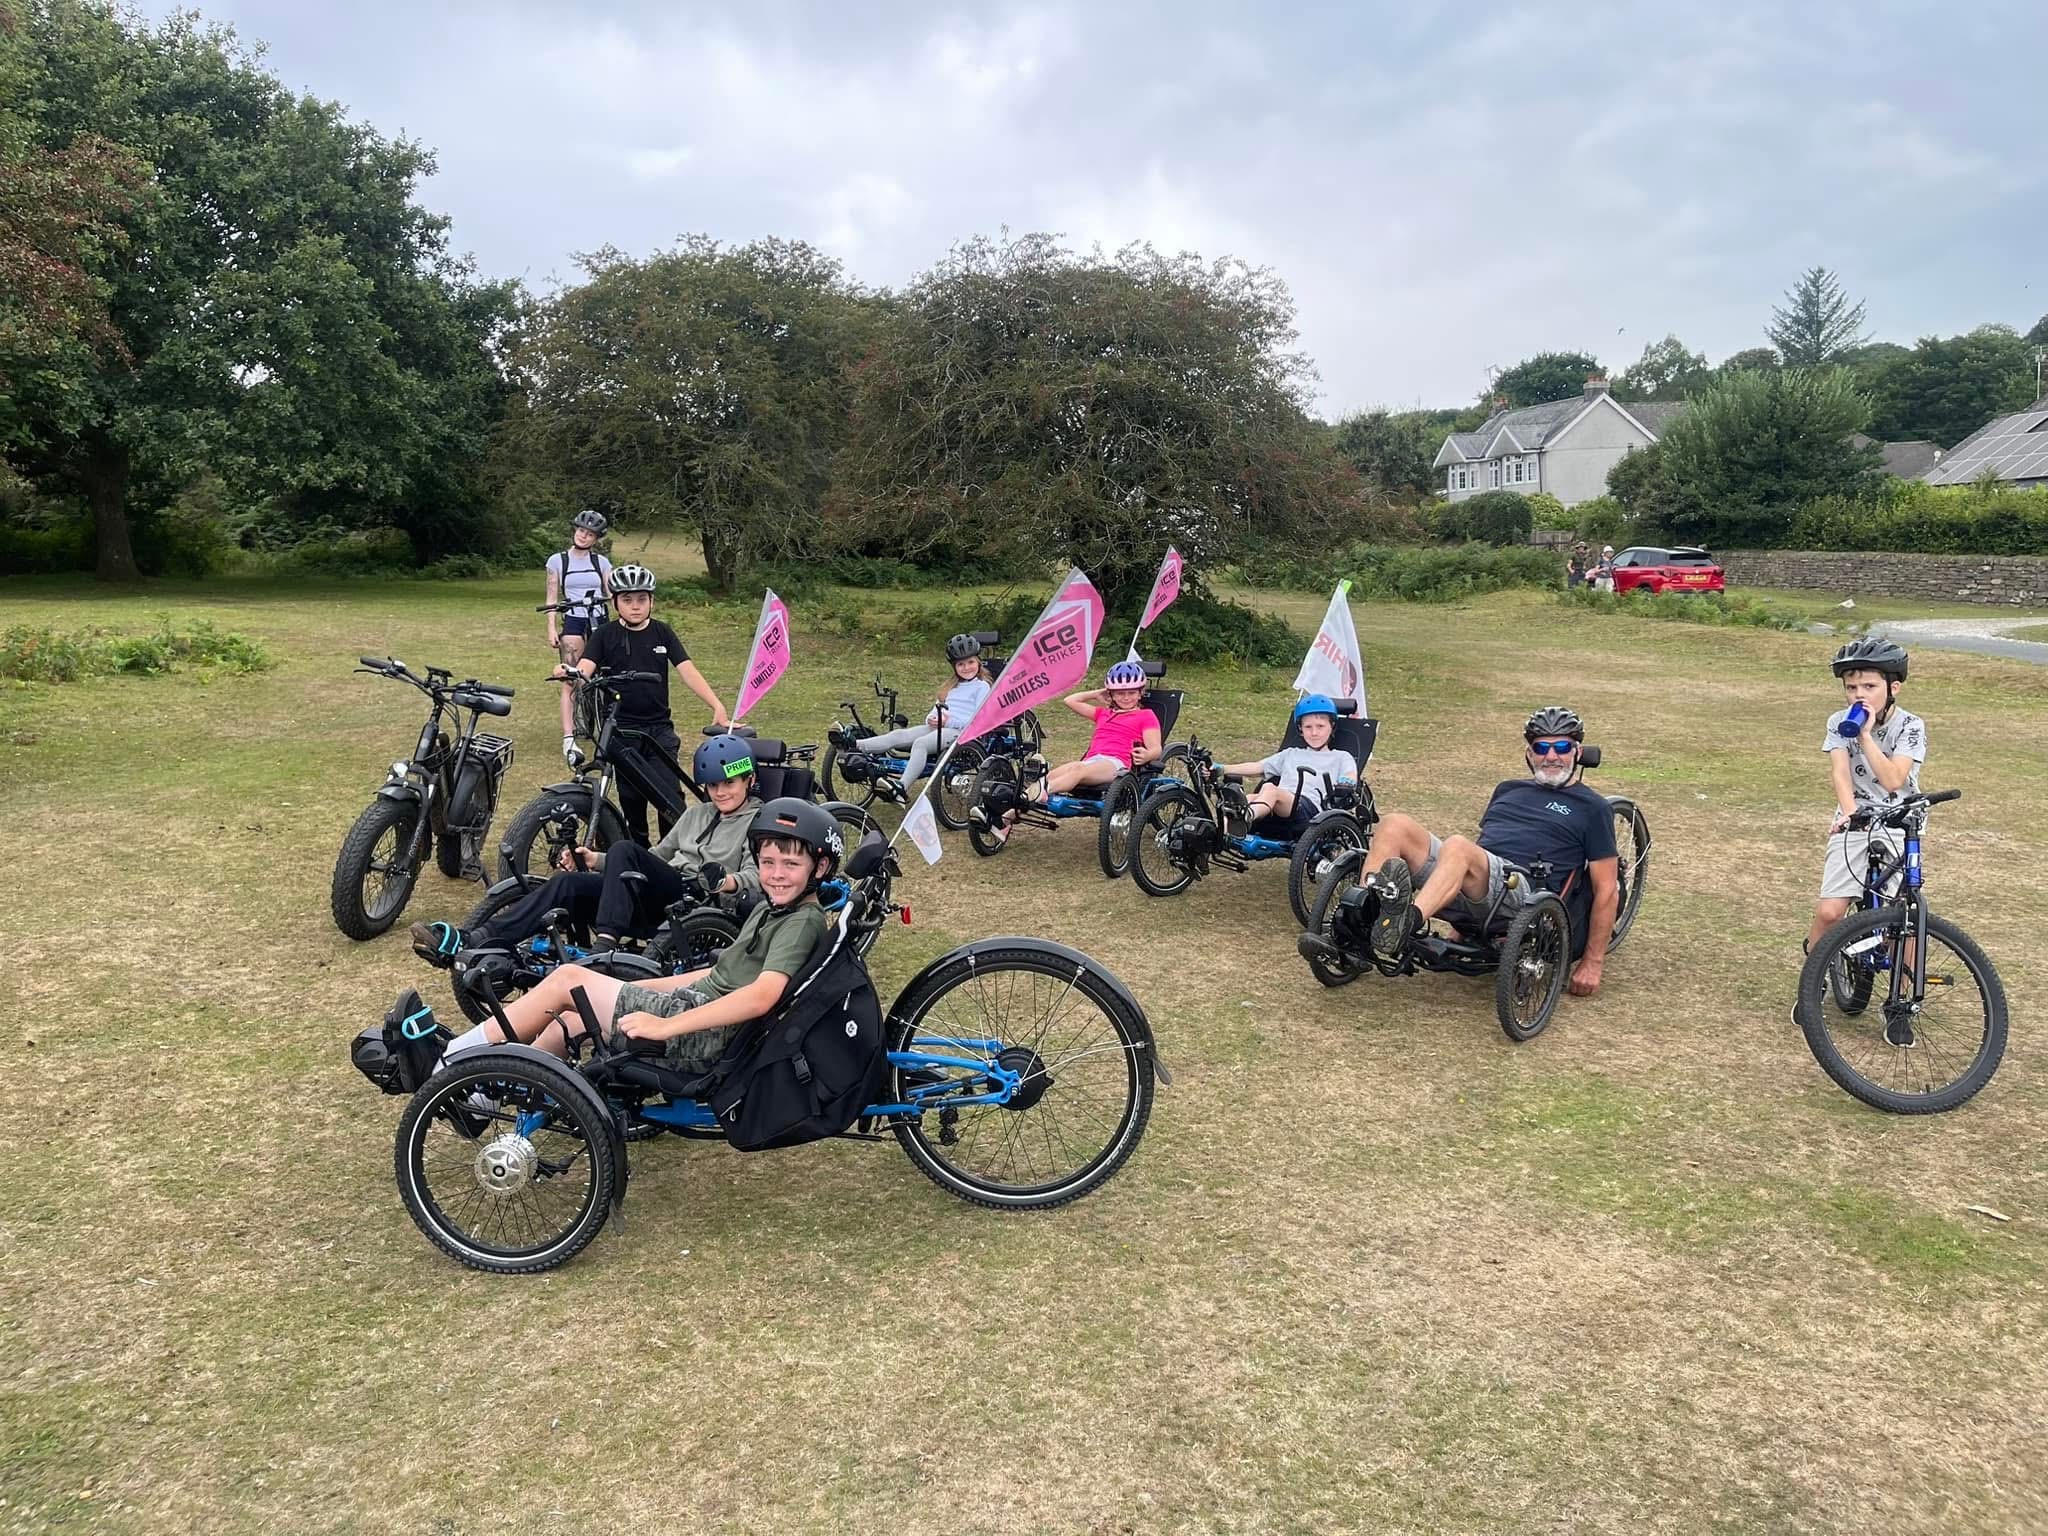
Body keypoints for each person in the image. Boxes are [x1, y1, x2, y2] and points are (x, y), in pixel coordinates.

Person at [395, 798, 840, 1077]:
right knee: (570, 1018)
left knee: (569, 978)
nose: (776, 874)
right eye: (769, 862)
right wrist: (634, 988)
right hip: (697, 1008)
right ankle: (485, 1095)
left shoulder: (800, 922)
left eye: (790, 865)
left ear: (819, 869)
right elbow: (717, 976)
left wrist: (664, 1024)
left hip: (704, 1037)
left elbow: (760, 998)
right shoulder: (773, 907)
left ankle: (448, 1063)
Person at [408, 735, 763, 963]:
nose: (720, 792)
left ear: (749, 779)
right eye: (713, 785)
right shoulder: (696, 815)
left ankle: (604, 945)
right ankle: (474, 939)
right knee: (570, 884)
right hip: (659, 893)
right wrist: (595, 860)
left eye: (729, 783)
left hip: (696, 901)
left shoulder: (758, 822)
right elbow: (654, 859)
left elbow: (760, 877)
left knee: (625, 846)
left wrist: (727, 882)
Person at [1351, 705, 1619, 997]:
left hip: (1522, 890)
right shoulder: (1507, 789)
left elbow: (1606, 890)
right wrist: (1461, 921)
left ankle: (1405, 924)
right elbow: (1489, 843)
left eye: (1562, 747)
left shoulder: (1593, 808)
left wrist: (1593, 963)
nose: (1551, 756)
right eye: (1541, 747)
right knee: (1394, 825)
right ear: (1529, 754)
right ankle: (1363, 915)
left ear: (1577, 752)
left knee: (1458, 846)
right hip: (1476, 879)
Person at [562, 563, 730, 843]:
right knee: (632, 802)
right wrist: (570, 673)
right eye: (627, 600)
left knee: (670, 801)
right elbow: (584, 671)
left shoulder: (662, 633)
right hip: (621, 732)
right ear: (615, 602)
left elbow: (687, 670)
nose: (635, 606)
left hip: (659, 731)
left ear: (651, 601)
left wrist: (717, 705)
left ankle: (675, 857)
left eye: (642, 599)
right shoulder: (605, 634)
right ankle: (638, 857)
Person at [1802, 638, 1923, 960]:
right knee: (1830, 912)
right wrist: (1850, 813)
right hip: (1854, 818)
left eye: (1869, 686)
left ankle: (1902, 1000)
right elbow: (1840, 772)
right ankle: (1814, 977)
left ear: (1893, 687)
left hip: (1899, 820)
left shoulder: (1911, 725)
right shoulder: (1837, 722)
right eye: (1851, 687)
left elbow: (1894, 780)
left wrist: (1865, 736)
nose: (1859, 695)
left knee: (1905, 919)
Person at [974, 660, 1162, 844]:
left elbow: (1156, 748)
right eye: (1120, 693)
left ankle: (1039, 794)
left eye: (1131, 693)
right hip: (1093, 761)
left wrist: (1147, 755)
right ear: (1111, 694)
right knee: (1054, 773)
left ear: (1140, 693)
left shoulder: (1145, 716)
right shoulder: (1103, 714)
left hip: (1117, 763)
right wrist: (1097, 694)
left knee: (1075, 771)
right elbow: (1069, 700)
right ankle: (1004, 821)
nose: (1126, 697)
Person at [828, 633, 992, 801]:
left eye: (971, 662)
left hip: (961, 732)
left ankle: (901, 787)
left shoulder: (982, 687)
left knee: (920, 744)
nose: (967, 667)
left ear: (978, 662)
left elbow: (978, 720)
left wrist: (949, 721)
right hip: (940, 726)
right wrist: (931, 718)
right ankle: (853, 744)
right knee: (898, 735)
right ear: (954, 667)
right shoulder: (951, 687)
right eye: (961, 664)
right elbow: (935, 709)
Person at [1217, 694, 1359, 835]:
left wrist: (1347, 781)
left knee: (1269, 788)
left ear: (1332, 726)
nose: (1314, 732)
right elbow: (1258, 767)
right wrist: (1223, 768)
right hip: (1278, 805)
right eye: (1308, 727)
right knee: (1248, 799)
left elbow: (1350, 775)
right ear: (1300, 729)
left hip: (1310, 812)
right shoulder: (1291, 753)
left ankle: (1246, 817)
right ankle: (1222, 831)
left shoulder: (1341, 757)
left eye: (1320, 726)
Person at [546, 510, 614, 764]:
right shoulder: (558, 561)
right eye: (581, 531)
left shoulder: (602, 563)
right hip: (573, 618)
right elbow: (552, 598)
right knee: (569, 676)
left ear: (596, 539)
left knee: (608, 674)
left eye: (590, 534)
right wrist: (551, 628)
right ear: (575, 531)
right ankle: (568, 737)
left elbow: (611, 593)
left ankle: (611, 727)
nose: (584, 536)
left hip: (599, 618)